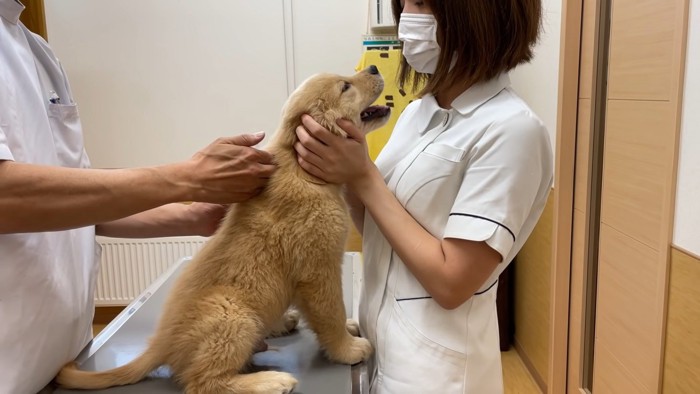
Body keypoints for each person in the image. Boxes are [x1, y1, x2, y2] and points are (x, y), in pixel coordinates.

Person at [0, 1, 276, 393]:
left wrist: (190, 217)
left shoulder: (37, 51)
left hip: (63, 361)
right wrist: (188, 178)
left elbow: (76, 198)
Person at [294, 0, 552, 392]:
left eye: (422, 2)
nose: (407, 17)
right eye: (405, 3)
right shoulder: (419, 113)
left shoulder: (512, 131)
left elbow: (453, 282)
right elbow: (380, 230)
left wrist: (363, 176)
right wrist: (339, 169)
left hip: (438, 374)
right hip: (382, 348)